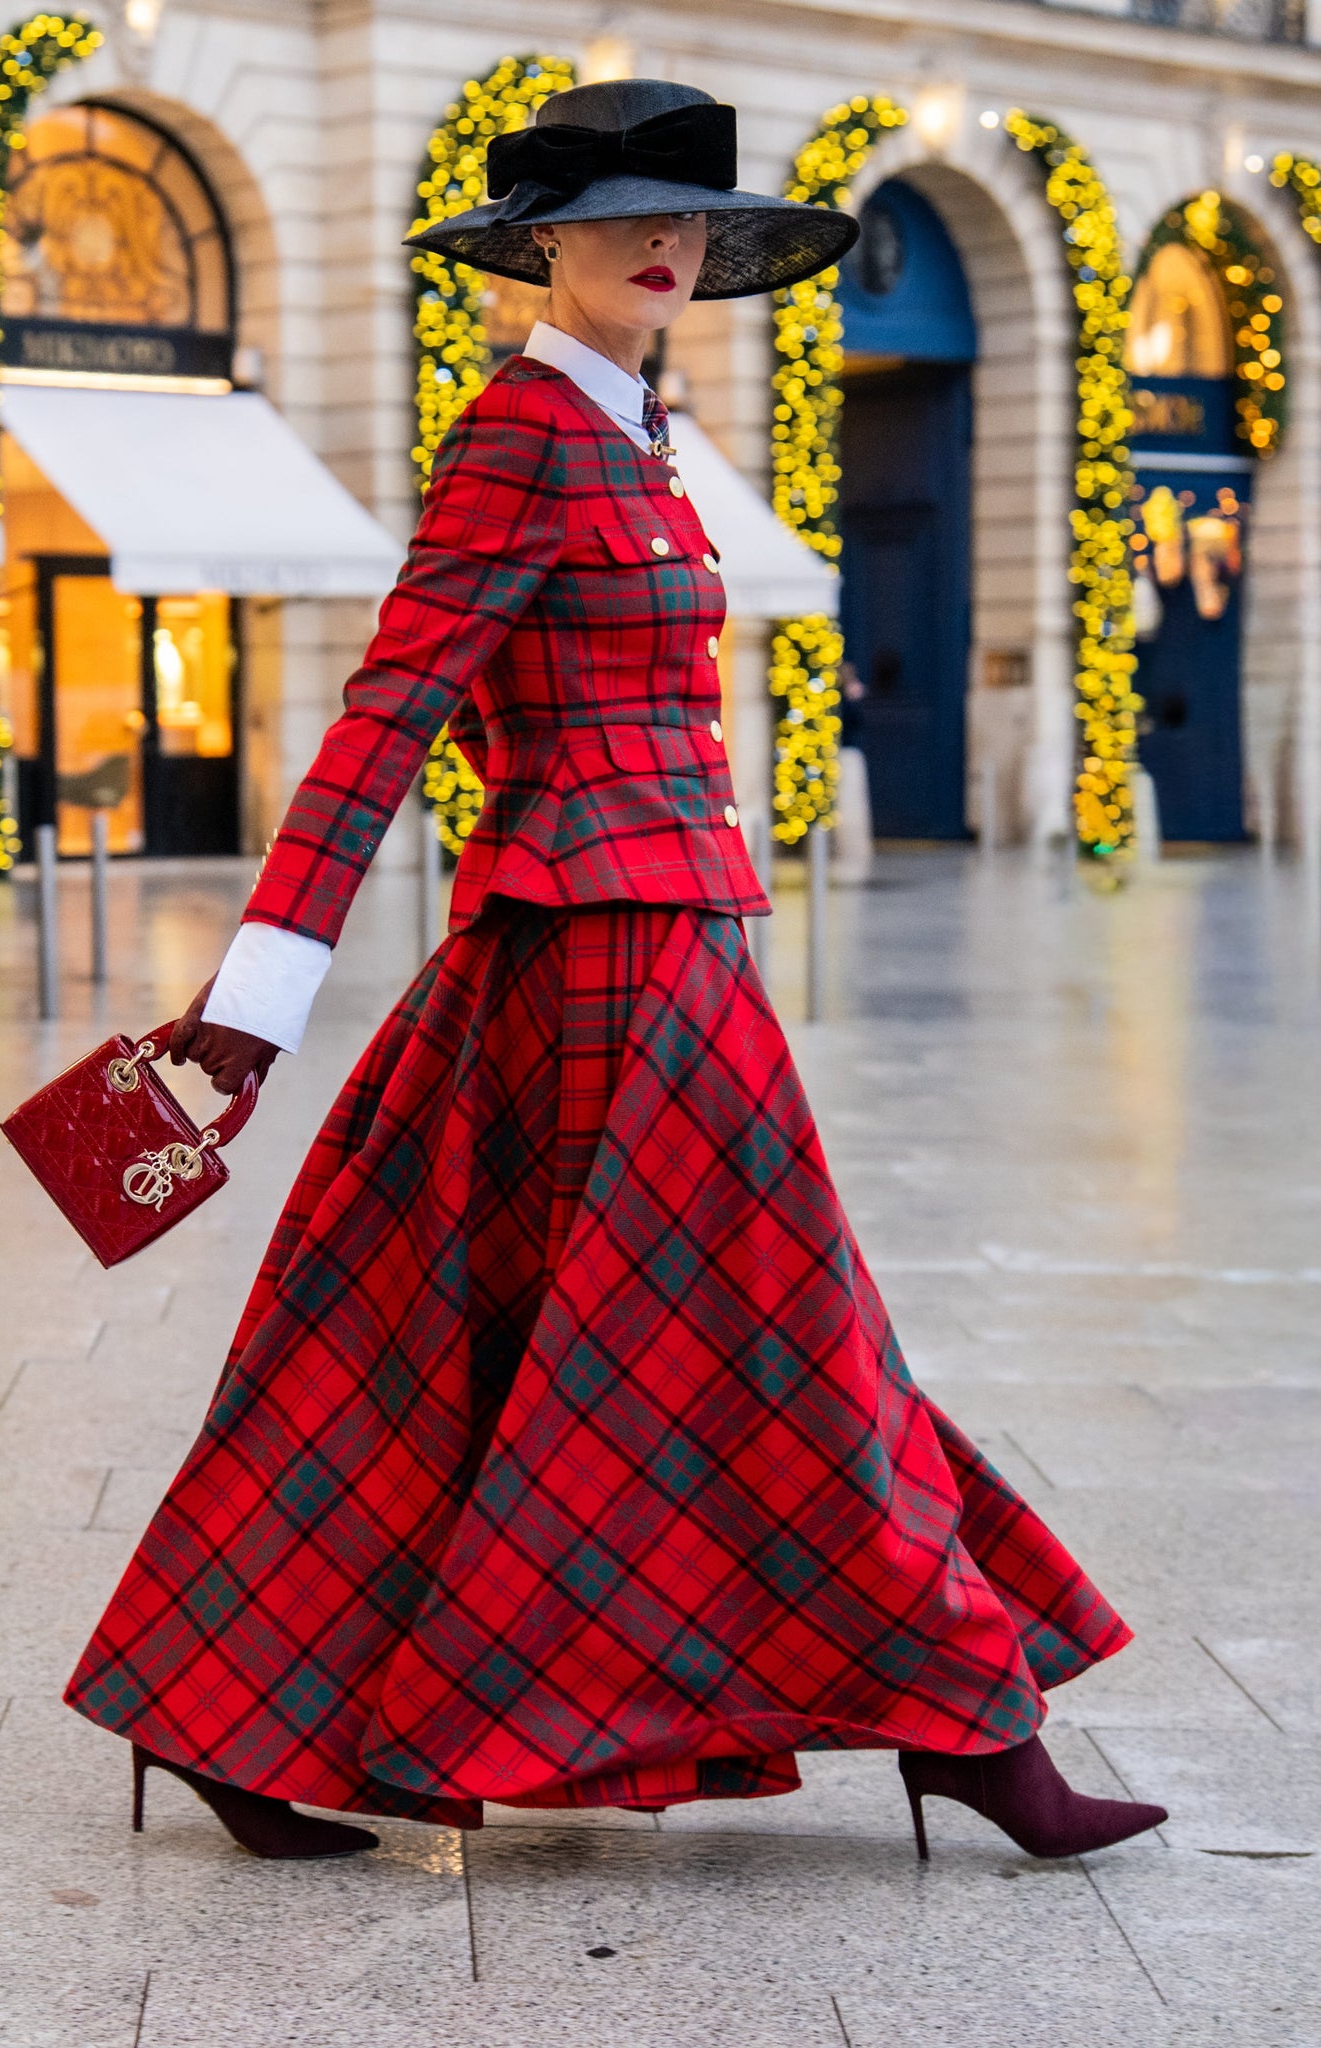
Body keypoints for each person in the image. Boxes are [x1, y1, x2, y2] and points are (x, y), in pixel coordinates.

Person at [66, 79, 1166, 1864]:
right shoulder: (521, 432)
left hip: (638, 947)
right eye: (625, 219)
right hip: (605, 961)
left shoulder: (638, 432)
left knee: (421, 1338)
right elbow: (389, 717)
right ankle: (971, 1721)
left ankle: (229, 1709)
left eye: (688, 219)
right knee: (791, 1340)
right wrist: (253, 1001)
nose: (668, 245)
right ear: (543, 247)